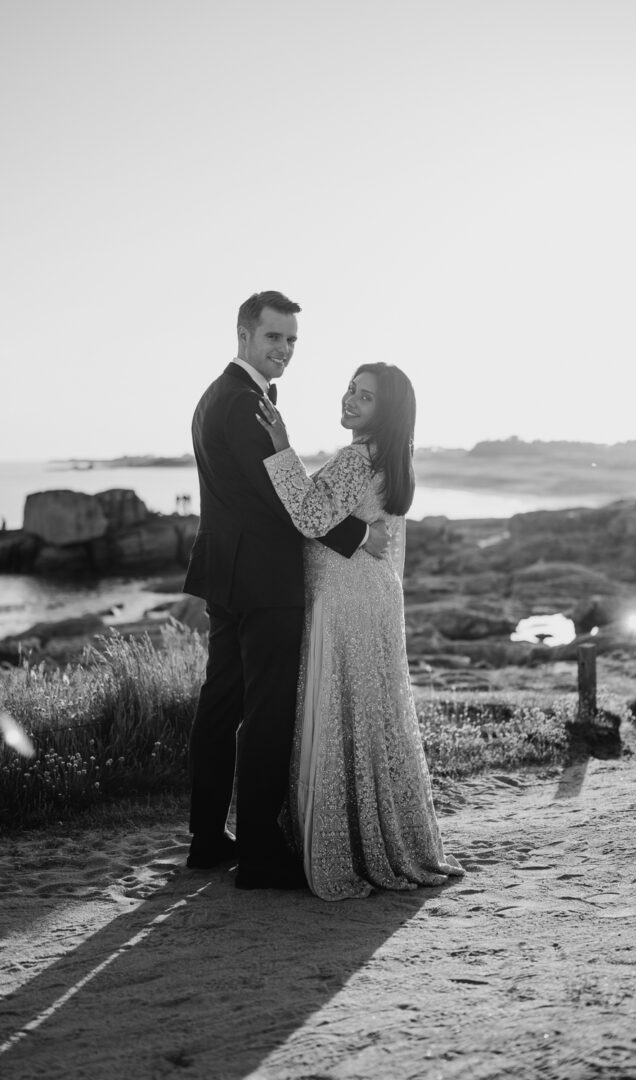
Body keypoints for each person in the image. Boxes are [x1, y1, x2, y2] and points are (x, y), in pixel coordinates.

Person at [183, 291, 390, 890]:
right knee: (265, 715)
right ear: (245, 335)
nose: (285, 351)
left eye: (292, 340)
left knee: (220, 704)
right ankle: (257, 855)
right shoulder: (245, 404)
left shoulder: (215, 395)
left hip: (226, 572)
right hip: (265, 580)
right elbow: (290, 503)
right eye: (274, 338)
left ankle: (205, 840)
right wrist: (358, 532)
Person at [256, 363, 465, 900]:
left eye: (365, 396)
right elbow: (359, 526)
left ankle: (341, 845)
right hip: (373, 594)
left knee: (341, 714)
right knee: (371, 718)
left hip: (344, 597)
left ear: (385, 411)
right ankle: (385, 837)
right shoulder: (394, 459)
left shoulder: (356, 456)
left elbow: (307, 514)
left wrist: (281, 447)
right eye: (351, 388)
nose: (350, 399)